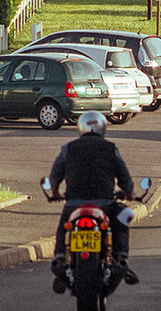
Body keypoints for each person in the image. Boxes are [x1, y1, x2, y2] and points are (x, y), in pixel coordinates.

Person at [48, 111, 141, 288]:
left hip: (74, 203)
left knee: (63, 227)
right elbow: (124, 177)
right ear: (102, 127)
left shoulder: (69, 148)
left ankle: (61, 257)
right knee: (122, 219)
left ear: (81, 127)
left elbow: (56, 173)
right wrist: (129, 193)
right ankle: (121, 257)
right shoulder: (110, 148)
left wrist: (55, 192)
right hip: (105, 203)